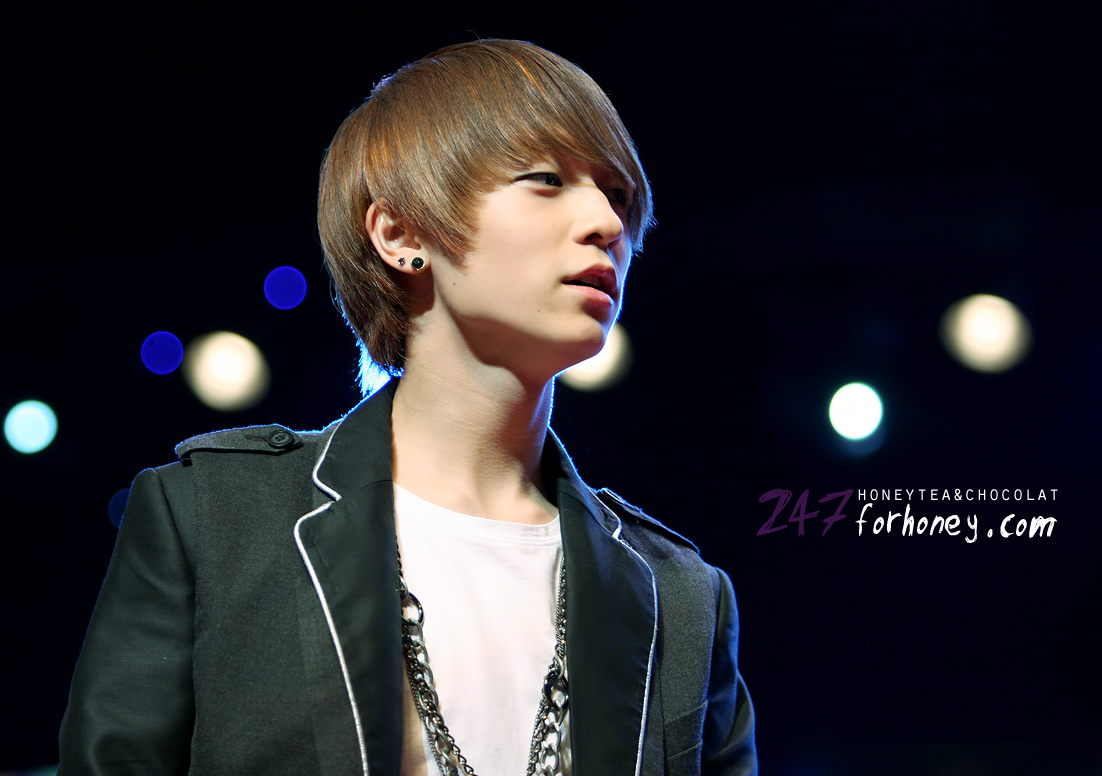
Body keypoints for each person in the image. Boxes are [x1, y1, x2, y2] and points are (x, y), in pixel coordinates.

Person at [58, 38, 756, 775]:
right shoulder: (215, 520)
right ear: (400, 234)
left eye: (617, 194)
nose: (606, 222)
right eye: (547, 179)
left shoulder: (682, 597)